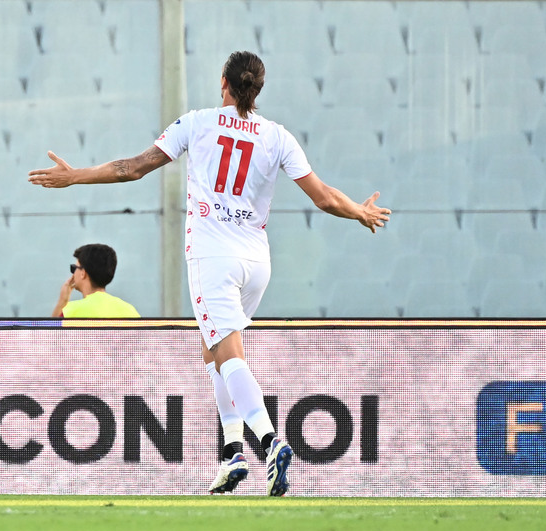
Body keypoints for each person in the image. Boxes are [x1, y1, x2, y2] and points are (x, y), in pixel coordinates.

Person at [28, 51, 390, 496]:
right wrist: (358, 212)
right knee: (215, 353)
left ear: (223, 82)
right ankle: (232, 453)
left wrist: (75, 176)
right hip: (257, 262)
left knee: (229, 353)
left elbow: (133, 168)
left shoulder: (196, 123)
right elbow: (325, 197)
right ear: (258, 89)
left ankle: (269, 440)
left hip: (213, 257)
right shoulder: (277, 136)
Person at [52, 243, 140, 318]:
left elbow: (50, 334)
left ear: (83, 273)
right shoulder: (130, 311)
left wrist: (63, 300)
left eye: (74, 268)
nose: (73, 273)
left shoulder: (71, 311)